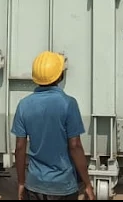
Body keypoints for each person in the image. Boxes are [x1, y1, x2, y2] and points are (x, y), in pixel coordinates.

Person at [11, 51, 95, 201]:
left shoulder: (23, 105)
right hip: (63, 186)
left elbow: (19, 147)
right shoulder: (68, 104)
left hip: (34, 184)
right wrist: (87, 184)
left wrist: (21, 183)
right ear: (60, 75)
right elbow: (75, 146)